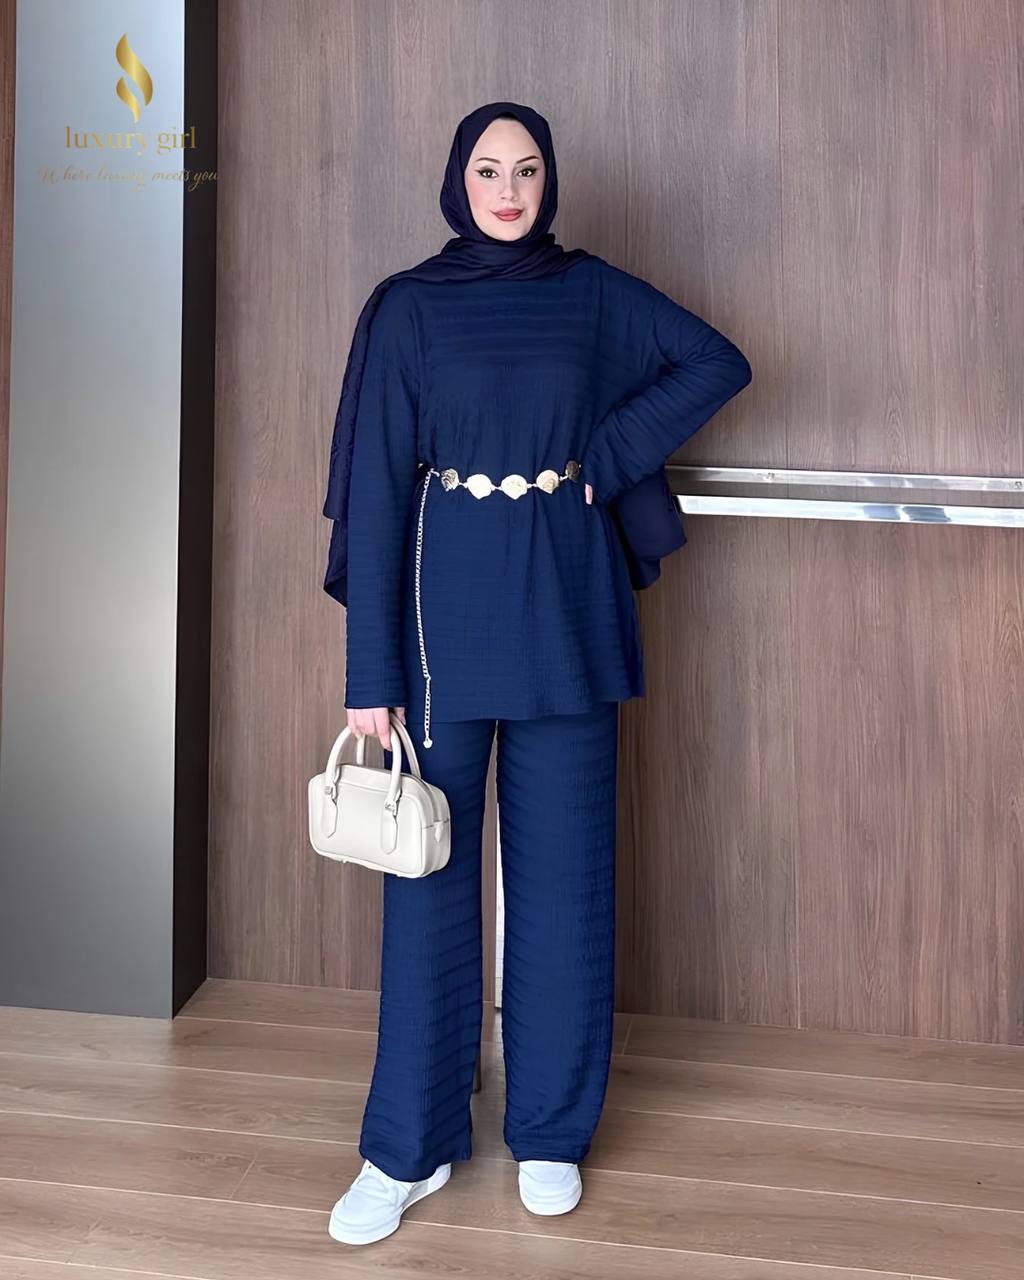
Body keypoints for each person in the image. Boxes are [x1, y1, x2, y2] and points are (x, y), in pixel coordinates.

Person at [323, 101, 752, 1247]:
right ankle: (405, 1146)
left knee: (565, 886)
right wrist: (371, 672)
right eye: (487, 169)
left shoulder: (590, 291)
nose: (507, 190)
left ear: (547, 180)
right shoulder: (408, 306)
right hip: (439, 628)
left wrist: (608, 454)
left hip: (566, 611)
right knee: (426, 881)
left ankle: (552, 1129)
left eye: (524, 170)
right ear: (456, 181)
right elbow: (377, 493)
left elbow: (717, 359)